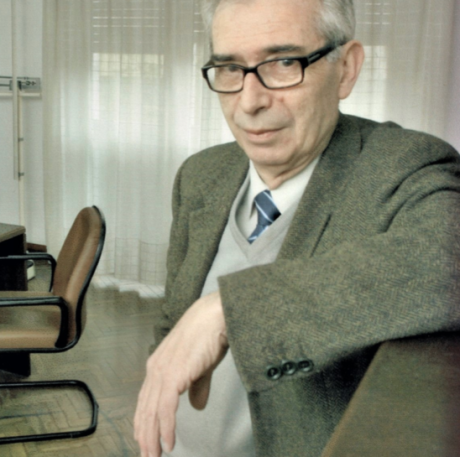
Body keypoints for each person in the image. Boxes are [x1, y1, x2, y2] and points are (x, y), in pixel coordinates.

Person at [132, 0, 460, 456]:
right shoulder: (200, 174)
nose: (250, 102)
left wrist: (230, 310)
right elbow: (175, 321)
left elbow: (447, 260)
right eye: (230, 68)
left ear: (346, 69)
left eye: (284, 62)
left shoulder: (403, 166)